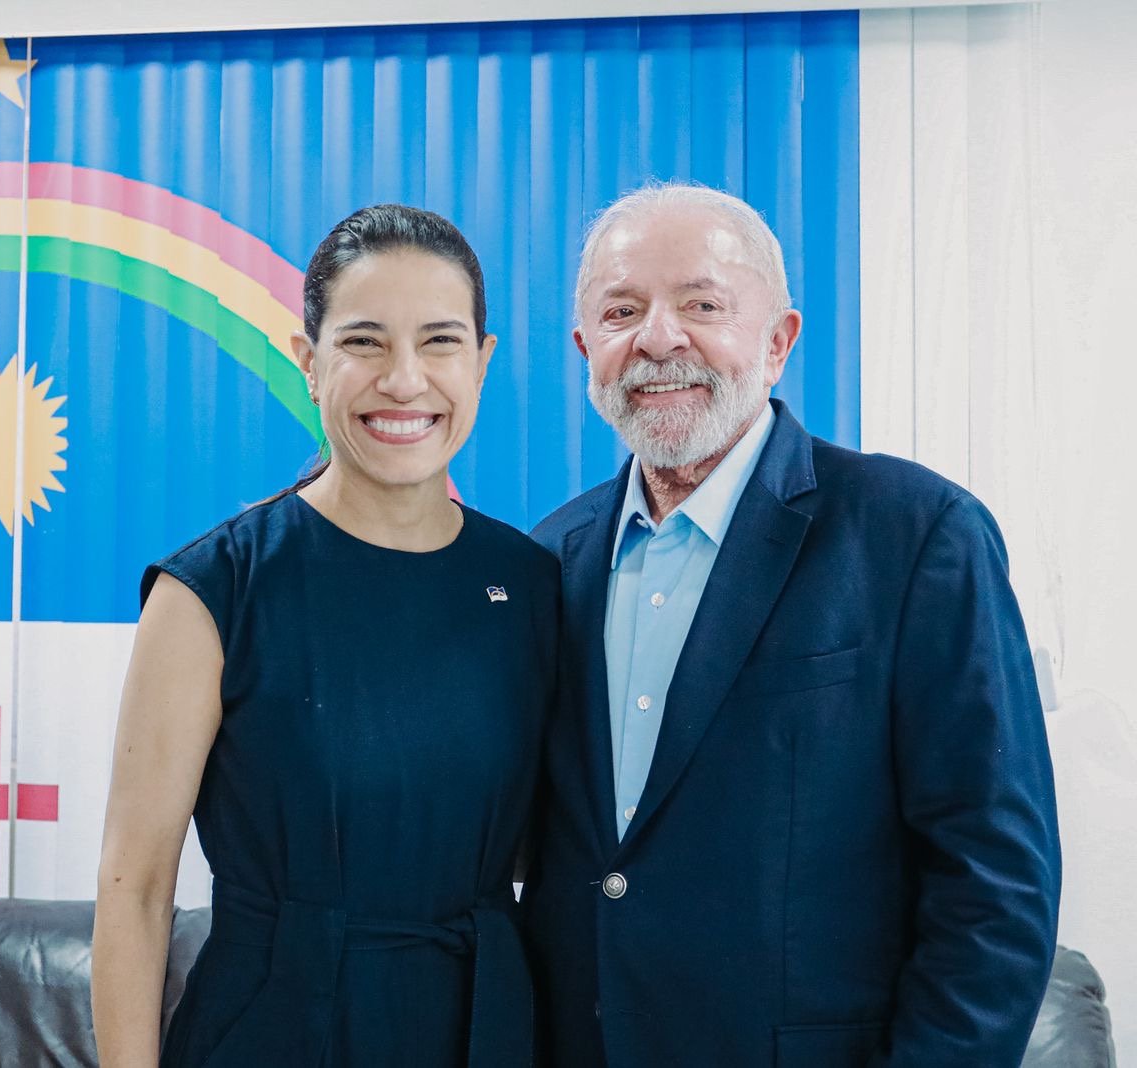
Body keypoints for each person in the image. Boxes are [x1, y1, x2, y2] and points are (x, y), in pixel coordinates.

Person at [523, 182, 1061, 1066]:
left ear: (778, 342)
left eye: (702, 305)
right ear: (587, 350)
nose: (658, 338)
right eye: (621, 312)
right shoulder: (549, 560)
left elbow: (994, 885)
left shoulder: (915, 534)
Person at [92, 204, 558, 1068]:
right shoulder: (214, 590)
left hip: (485, 1026)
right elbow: (135, 885)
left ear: (482, 362)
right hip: (275, 1025)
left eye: (441, 342)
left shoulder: (534, 585)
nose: (405, 381)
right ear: (309, 363)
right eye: (364, 343)